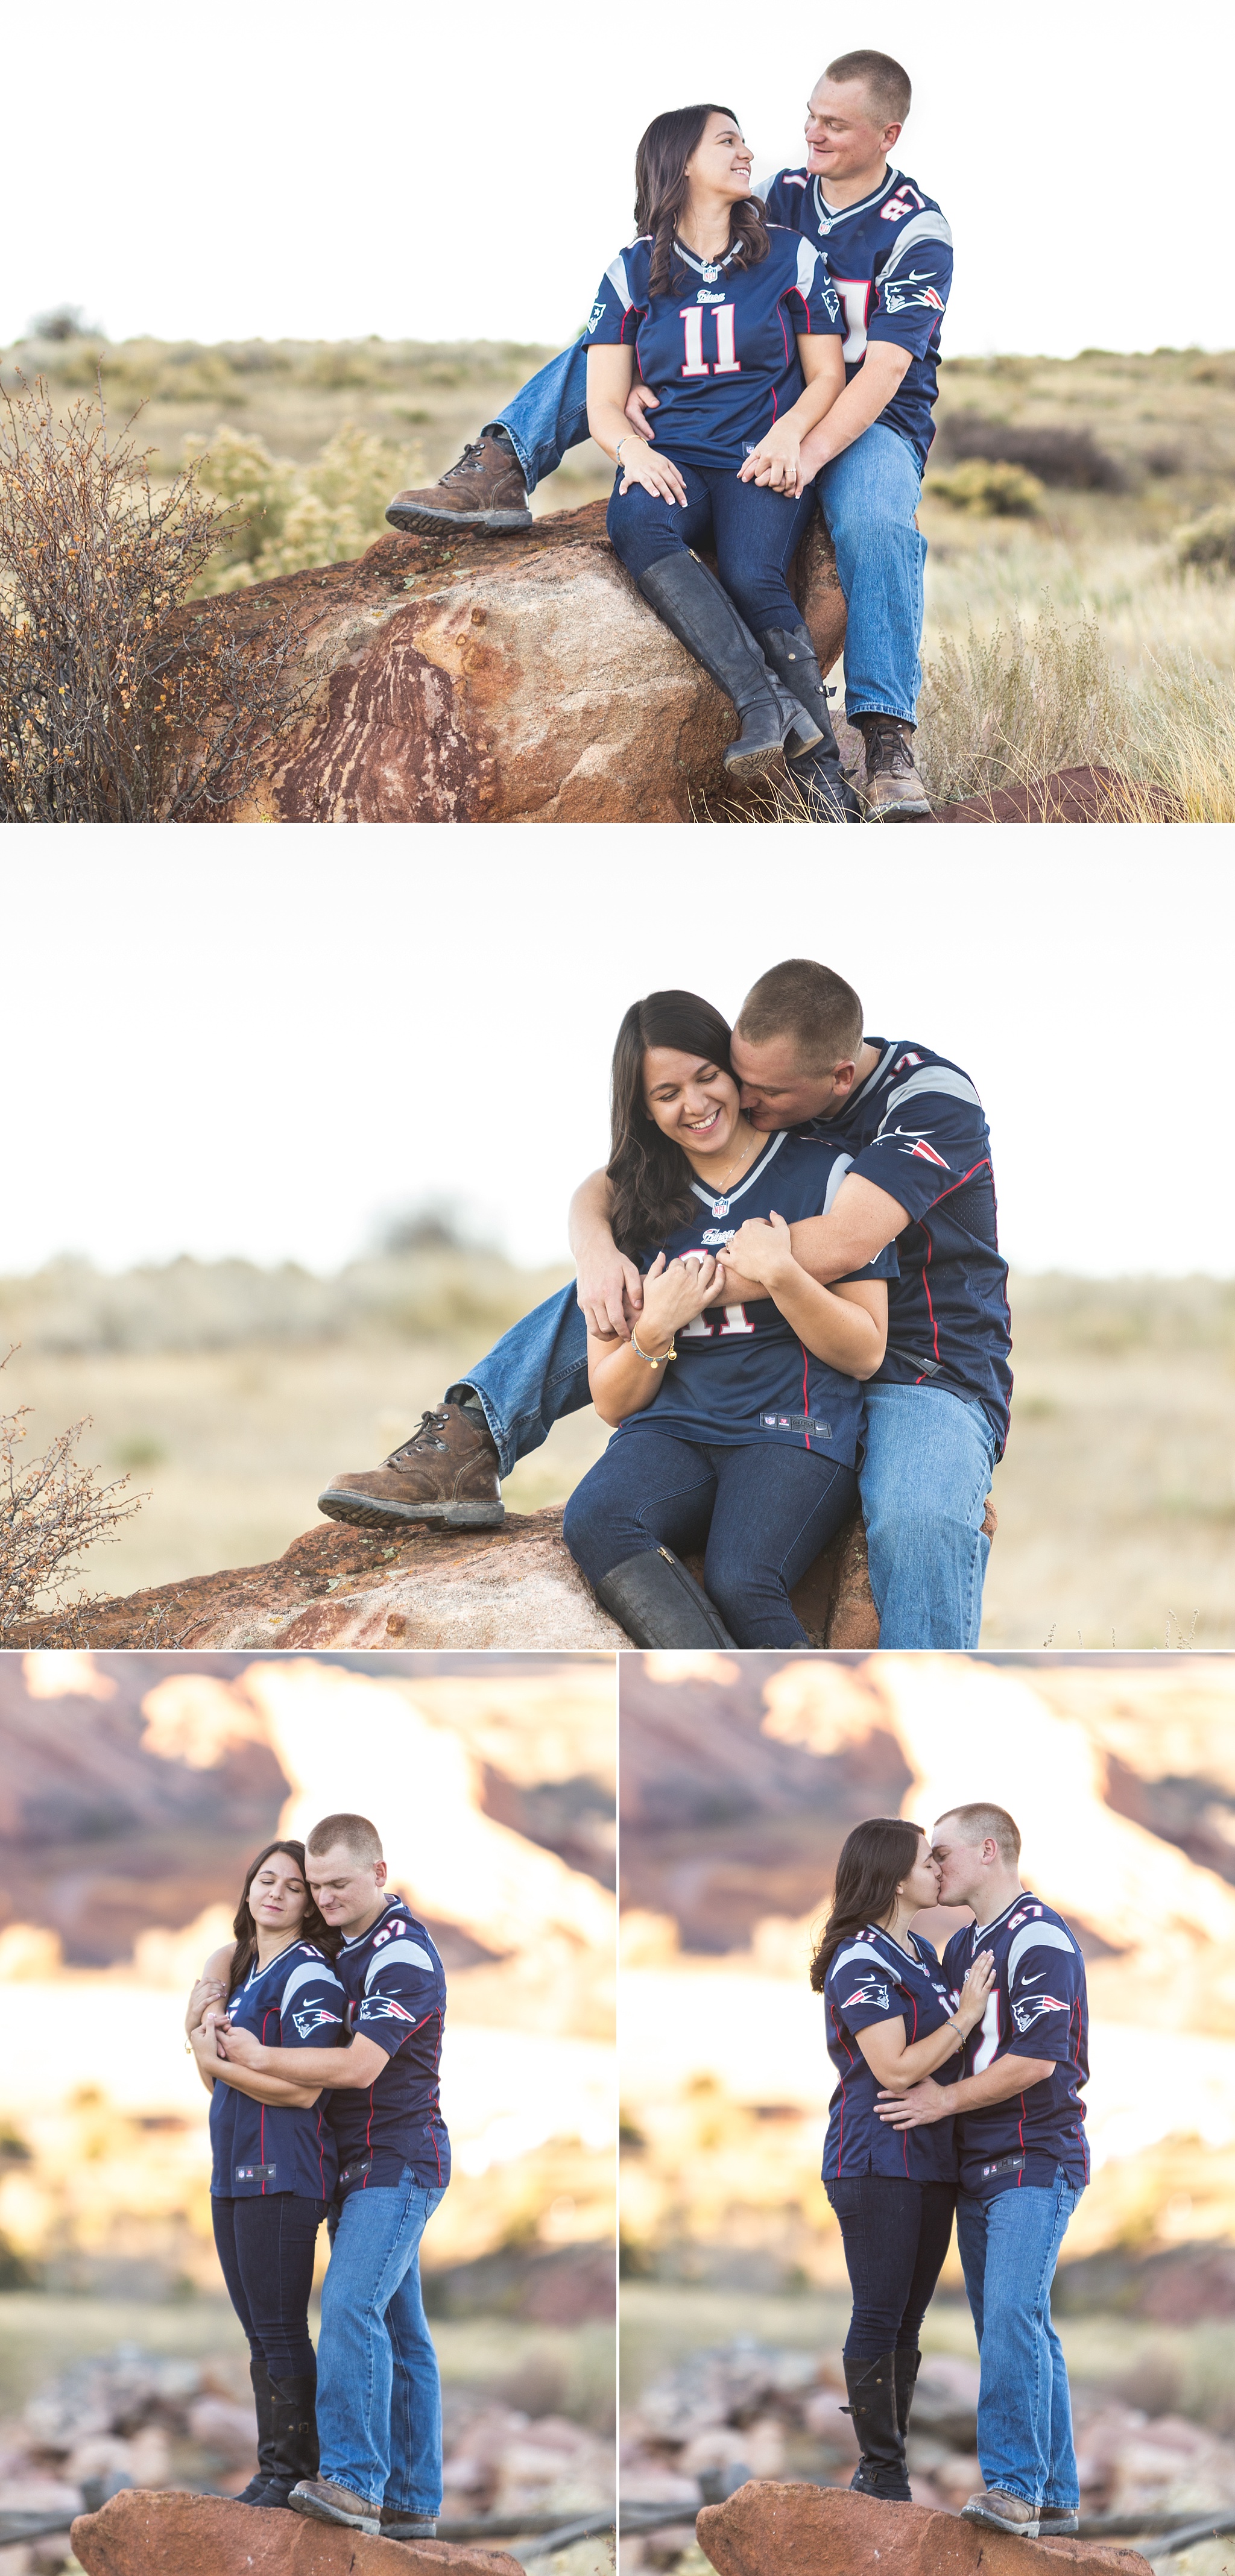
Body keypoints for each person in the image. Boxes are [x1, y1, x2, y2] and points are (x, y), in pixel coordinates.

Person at [319, 957, 1011, 1651]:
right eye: (731, 1074)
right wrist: (598, 1253)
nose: (739, 1098)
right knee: (612, 1286)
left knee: (918, 1517)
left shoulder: (924, 1100)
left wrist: (676, 1287)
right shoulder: (772, 1105)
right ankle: (474, 1434)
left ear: (834, 1080)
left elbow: (839, 1241)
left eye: (755, 1089)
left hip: (923, 1362)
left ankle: (925, 1718)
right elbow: (617, 1178)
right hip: (784, 1311)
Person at [385, 49, 949, 823]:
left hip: (866, 414)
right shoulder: (779, 192)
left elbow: (881, 371)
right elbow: (690, 282)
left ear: (887, 136)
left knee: (879, 524)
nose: (810, 134)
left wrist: (801, 452)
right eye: (810, 114)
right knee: (605, 345)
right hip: (767, 389)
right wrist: (655, 378)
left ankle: (885, 740)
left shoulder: (917, 228)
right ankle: (504, 459)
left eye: (835, 125)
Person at [559, 989, 895, 1645]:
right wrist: (655, 1328)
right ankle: (714, 1709)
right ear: (643, 1109)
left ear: (734, 1071)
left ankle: (808, 1741)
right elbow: (610, 1401)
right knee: (595, 1517)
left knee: (741, 1578)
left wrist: (782, 1274)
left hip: (792, 1427)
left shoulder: (826, 1174)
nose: (693, 1104)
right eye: (665, 1093)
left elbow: (864, 1351)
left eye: (705, 1076)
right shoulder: (627, 1211)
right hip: (675, 1429)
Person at [583, 104, 856, 817]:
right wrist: (630, 450)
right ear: (680, 164)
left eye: (742, 141)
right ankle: (763, 706)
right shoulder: (630, 269)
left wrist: (789, 435)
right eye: (726, 142)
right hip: (673, 457)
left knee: (750, 572)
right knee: (637, 526)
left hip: (756, 457)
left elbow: (826, 375)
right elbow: (602, 405)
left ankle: (825, 784)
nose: (745, 153)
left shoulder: (789, 254)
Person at [215, 1813, 449, 2543]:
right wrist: (203, 1992)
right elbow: (240, 1949)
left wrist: (254, 2055)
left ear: (379, 1873)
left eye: (338, 1883)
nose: (326, 1897)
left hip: (398, 2161)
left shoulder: (401, 1955)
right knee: (401, 2333)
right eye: (317, 1886)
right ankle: (414, 2502)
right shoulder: (343, 1948)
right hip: (353, 2168)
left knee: (348, 2305)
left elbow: (355, 2067)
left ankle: (354, 2483)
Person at [876, 1804, 1090, 2542]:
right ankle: (1056, 2494)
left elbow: (1036, 2058)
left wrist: (941, 2102)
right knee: (1019, 2321)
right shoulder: (966, 1942)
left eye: (942, 1854)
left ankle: (1012, 2489)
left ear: (988, 1850)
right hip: (976, 2167)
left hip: (1035, 2157)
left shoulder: (1039, 1937)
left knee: (1008, 2315)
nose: (933, 1867)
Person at [812, 1819, 994, 2499]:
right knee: (879, 2312)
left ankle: (887, 2467)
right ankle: (880, 2470)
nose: (937, 1869)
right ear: (893, 1877)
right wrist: (966, 2014)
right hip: (874, 2155)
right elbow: (892, 2068)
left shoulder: (917, 1948)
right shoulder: (859, 1958)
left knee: (909, 2319)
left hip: (931, 2158)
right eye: (927, 1861)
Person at [186, 1841, 346, 2508]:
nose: (276, 1892)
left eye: (294, 1886)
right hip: (234, 2172)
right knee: (259, 2331)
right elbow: (210, 2075)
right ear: (248, 1887)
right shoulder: (251, 1972)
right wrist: (206, 2036)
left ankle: (290, 2474)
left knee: (280, 2329)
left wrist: (213, 2055)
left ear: (311, 1904)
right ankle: (274, 2467)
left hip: (283, 2172)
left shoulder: (309, 1975)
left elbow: (305, 2090)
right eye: (265, 1879)